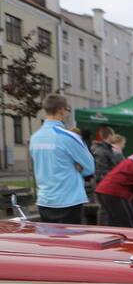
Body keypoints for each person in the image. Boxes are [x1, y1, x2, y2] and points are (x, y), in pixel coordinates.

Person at [29, 94, 96, 224]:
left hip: (45, 200)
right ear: (61, 110)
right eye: (67, 110)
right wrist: (76, 166)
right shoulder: (68, 136)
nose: (67, 113)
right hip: (68, 200)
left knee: (51, 242)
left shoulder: (35, 137)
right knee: (70, 242)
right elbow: (89, 168)